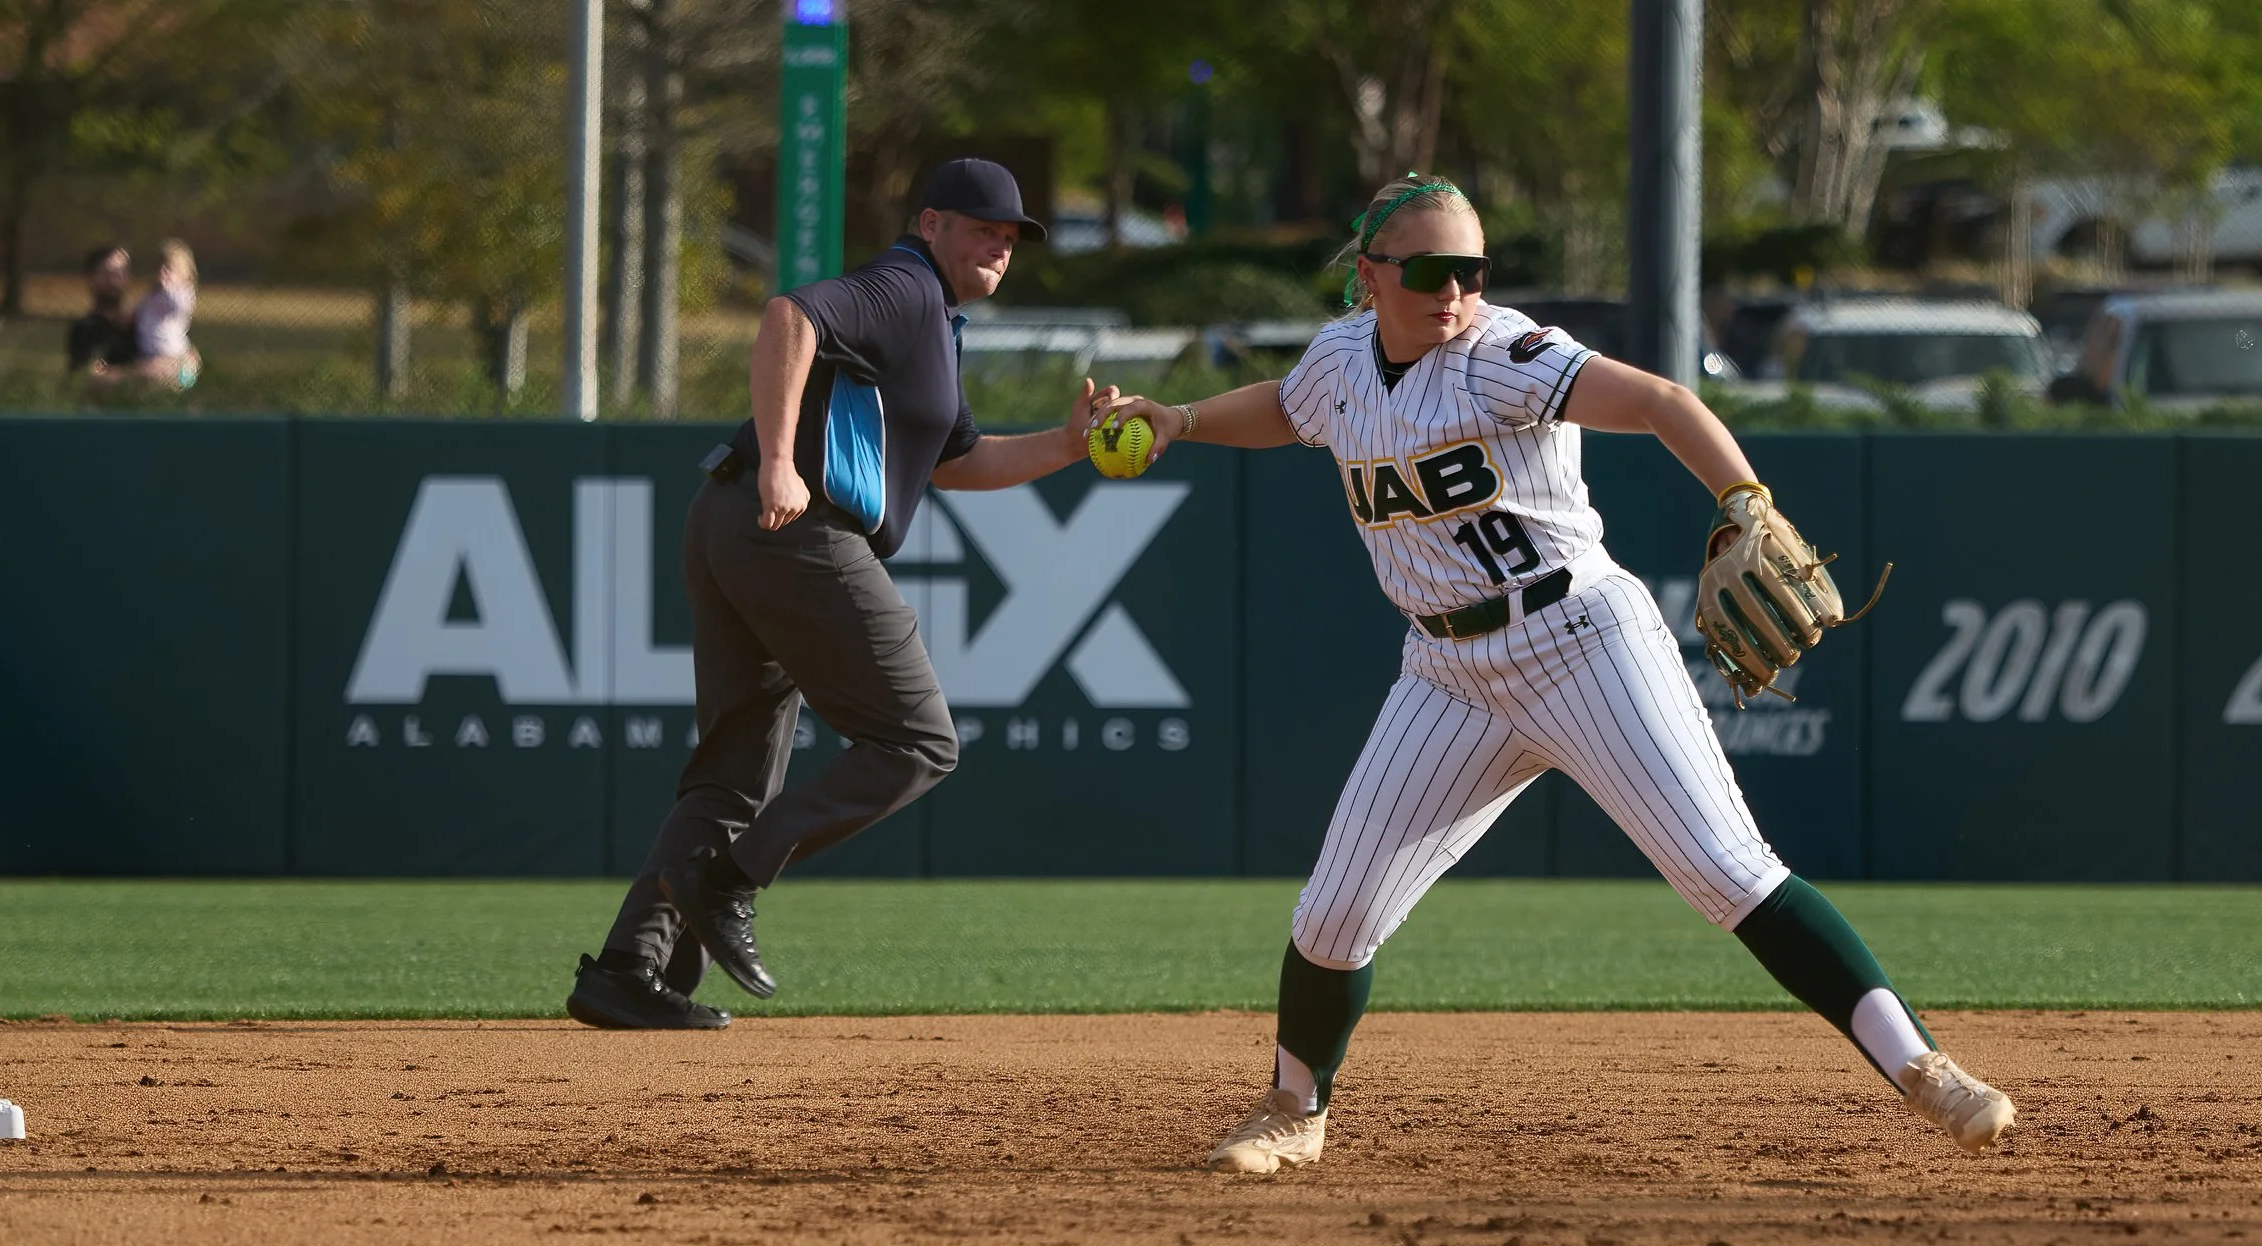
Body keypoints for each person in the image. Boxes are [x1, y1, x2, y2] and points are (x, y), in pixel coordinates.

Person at [1100, 175, 2017, 1173]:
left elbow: (1664, 401)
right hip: (1446, 669)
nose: (1451, 289)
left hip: (1580, 638)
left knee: (1725, 871)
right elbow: (1284, 407)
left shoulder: (1500, 355)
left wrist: (1745, 499)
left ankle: (1923, 1067)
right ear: (1369, 276)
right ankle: (1292, 1108)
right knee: (1333, 912)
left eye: (1470, 268)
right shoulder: (1337, 361)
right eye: (1426, 270)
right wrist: (1181, 417)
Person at [567, 158, 1116, 1030]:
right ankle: (730, 878)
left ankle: (630, 968)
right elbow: (792, 316)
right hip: (793, 524)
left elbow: (960, 461)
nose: (1000, 248)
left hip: (735, 520)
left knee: (735, 773)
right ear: (930, 222)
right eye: (982, 228)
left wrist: (1066, 443)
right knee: (919, 740)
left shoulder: (935, 319)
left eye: (1011, 237)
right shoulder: (904, 286)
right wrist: (782, 460)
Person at [129, 239, 202, 389]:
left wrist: (169, 288)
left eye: (170, 269)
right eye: (160, 268)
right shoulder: (152, 295)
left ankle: (184, 386)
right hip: (148, 352)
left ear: (186, 273)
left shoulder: (182, 294)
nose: (163, 273)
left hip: (171, 353)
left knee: (173, 384)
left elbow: (180, 308)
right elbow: (139, 312)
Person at [66, 244, 135, 375]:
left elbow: (184, 377)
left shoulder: (142, 325)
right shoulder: (85, 330)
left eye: (120, 273)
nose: (113, 281)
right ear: (91, 279)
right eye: (107, 274)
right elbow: (90, 378)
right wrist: (147, 372)